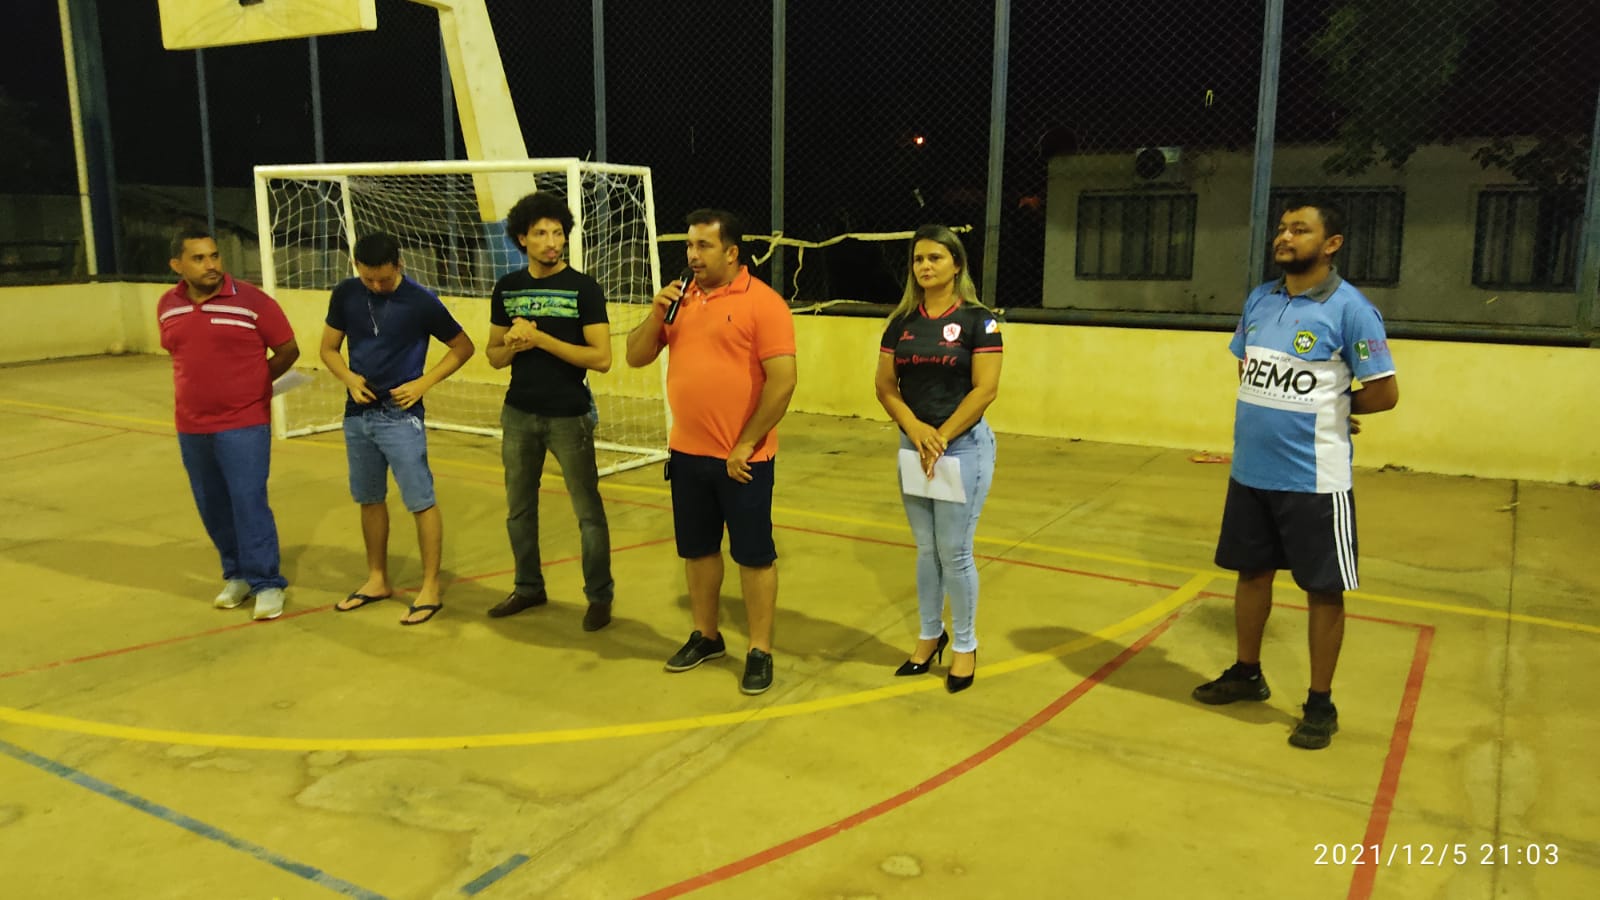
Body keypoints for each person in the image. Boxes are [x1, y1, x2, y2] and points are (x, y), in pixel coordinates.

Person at [1192, 197, 1399, 750]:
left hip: (1314, 480)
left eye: (1300, 230)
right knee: (1251, 573)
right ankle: (1246, 672)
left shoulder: (1351, 309)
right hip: (1251, 474)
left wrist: (1336, 407)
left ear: (1330, 245)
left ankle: (1319, 703)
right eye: (1282, 229)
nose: (1285, 237)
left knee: (1323, 590)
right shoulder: (1261, 298)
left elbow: (1383, 391)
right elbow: (1249, 363)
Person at [624, 209, 796, 695]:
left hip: (744, 459)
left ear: (732, 252)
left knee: (754, 556)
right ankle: (706, 635)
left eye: (704, 246)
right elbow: (637, 356)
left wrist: (746, 442)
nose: (693, 256)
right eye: (689, 247)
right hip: (687, 455)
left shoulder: (763, 304)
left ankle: (759, 648)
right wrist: (656, 313)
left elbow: (783, 383)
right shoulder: (680, 301)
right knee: (697, 551)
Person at [320, 233, 475, 625]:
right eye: (368, 279)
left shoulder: (421, 301)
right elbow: (328, 348)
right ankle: (376, 579)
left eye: (383, 280)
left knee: (420, 500)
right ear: (357, 268)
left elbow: (462, 347)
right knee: (369, 497)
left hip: (401, 416)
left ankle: (430, 587)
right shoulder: (345, 295)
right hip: (358, 415)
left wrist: (423, 383)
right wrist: (350, 379)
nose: (375, 287)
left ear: (399, 266)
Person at [873, 224, 1002, 694]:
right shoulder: (902, 322)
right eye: (918, 260)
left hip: (961, 448)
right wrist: (916, 431)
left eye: (935, 259)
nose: (925, 267)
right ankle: (931, 635)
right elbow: (885, 386)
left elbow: (985, 389)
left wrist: (941, 436)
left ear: (957, 264)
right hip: (916, 446)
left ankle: (965, 645)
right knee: (927, 550)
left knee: (955, 551)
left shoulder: (978, 320)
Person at [484, 192, 616, 631]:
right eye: (540, 233)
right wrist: (513, 343)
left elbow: (601, 358)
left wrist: (541, 340)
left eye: (557, 232)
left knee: (587, 512)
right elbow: (494, 357)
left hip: (569, 415)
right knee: (518, 509)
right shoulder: (508, 288)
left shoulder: (583, 288)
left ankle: (599, 596)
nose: (551, 241)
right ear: (522, 238)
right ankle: (528, 587)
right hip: (518, 414)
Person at [158, 229, 299, 620]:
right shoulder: (167, 305)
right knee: (213, 505)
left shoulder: (252, 302)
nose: (212, 265)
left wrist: (255, 385)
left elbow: (288, 349)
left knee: (248, 501)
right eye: (200, 258)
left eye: (215, 256)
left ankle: (267, 584)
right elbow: (179, 354)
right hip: (191, 425)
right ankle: (236, 574)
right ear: (178, 266)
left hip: (243, 422)